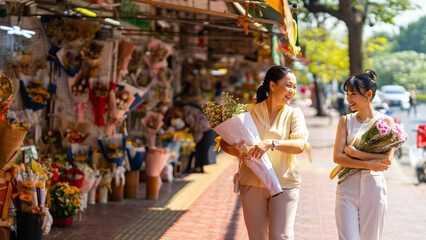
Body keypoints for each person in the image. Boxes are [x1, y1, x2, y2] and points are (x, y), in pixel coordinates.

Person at [219, 66, 309, 239]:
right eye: (289, 85)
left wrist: (271, 143)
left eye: (295, 87)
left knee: (281, 236)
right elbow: (223, 141)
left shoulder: (294, 114)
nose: (292, 91)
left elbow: (300, 145)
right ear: (273, 85)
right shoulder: (247, 111)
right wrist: (235, 152)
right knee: (257, 236)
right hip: (251, 183)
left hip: (285, 184)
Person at [333, 69, 394, 240]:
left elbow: (387, 160)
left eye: (353, 94)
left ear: (368, 94)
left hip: (373, 188)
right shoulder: (345, 121)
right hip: (346, 187)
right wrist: (369, 163)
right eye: (347, 94)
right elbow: (338, 157)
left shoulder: (386, 122)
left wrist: (354, 153)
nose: (348, 99)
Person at [182, 101, 217, 173]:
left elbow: (191, 122)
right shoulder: (195, 107)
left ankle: (197, 167)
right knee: (203, 148)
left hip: (201, 128)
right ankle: (200, 167)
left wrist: (186, 130)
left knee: (198, 147)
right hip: (208, 127)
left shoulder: (186, 109)